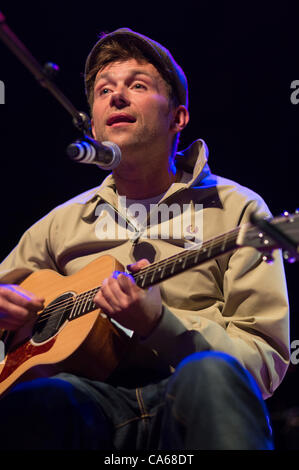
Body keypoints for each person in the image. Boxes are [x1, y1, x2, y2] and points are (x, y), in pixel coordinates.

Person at [0, 28, 290, 450]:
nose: (116, 97)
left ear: (178, 117)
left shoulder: (238, 209)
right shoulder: (60, 224)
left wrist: (160, 325)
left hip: (190, 399)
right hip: (88, 408)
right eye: (104, 91)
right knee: (37, 402)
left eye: (137, 85)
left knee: (210, 373)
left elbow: (264, 365)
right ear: (93, 125)